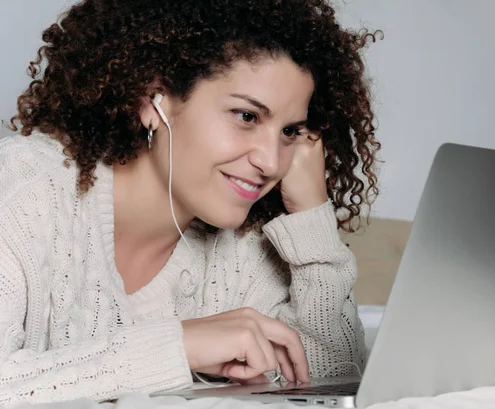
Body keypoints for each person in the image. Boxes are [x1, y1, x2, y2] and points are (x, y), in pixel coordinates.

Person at [0, 0, 381, 405]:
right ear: (154, 101)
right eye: (247, 116)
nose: (271, 162)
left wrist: (311, 215)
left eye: (289, 130)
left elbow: (327, 379)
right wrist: (177, 347)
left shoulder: (241, 248)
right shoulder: (24, 189)